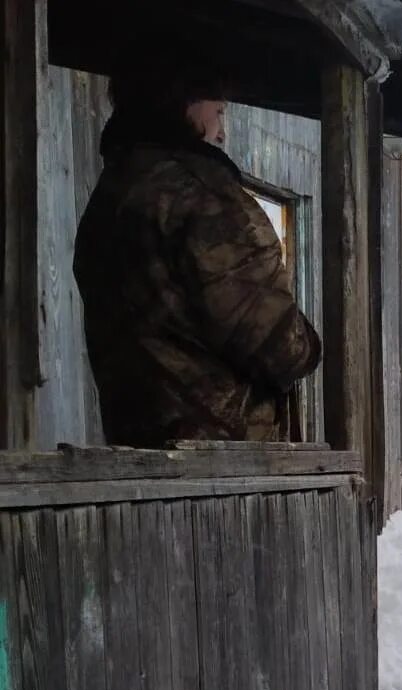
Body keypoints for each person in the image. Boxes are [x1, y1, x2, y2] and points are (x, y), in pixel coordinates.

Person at [73, 45, 321, 447]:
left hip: (136, 445)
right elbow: (276, 343)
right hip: (221, 453)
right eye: (218, 111)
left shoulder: (110, 197)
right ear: (184, 106)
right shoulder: (202, 197)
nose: (221, 131)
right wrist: (309, 347)